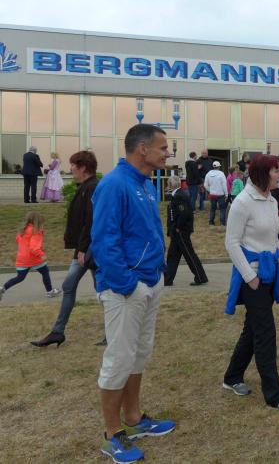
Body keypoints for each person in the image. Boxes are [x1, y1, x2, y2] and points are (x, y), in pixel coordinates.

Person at [91, 124, 175, 463]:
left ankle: (134, 418)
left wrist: (156, 276)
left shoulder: (145, 184)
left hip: (150, 282)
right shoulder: (114, 184)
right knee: (120, 358)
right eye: (163, 147)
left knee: (139, 354)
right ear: (142, 149)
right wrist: (128, 284)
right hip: (125, 288)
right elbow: (104, 241)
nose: (168, 153)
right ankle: (112, 433)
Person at [223, 154, 279, 412]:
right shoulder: (242, 202)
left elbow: (274, 238)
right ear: (262, 173)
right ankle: (275, 394)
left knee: (253, 330)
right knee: (265, 333)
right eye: (276, 171)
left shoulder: (271, 200)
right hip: (253, 279)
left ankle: (232, 377)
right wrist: (250, 277)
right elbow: (231, 243)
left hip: (270, 274)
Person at [31, 150, 99, 347]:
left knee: (103, 291)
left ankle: (113, 331)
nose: (71, 169)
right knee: (70, 286)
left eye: (73, 165)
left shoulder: (92, 187)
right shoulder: (84, 186)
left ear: (83, 168)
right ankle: (58, 332)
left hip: (90, 249)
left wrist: (83, 249)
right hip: (83, 248)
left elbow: (91, 220)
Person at [0, 212, 60, 302]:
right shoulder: (36, 231)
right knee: (45, 272)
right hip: (33, 258)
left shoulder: (23, 230)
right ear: (38, 221)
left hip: (22, 258)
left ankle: (3, 288)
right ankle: (50, 291)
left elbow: (18, 240)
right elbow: (34, 248)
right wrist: (42, 254)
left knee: (20, 277)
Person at [164, 175, 208, 287]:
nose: (168, 186)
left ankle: (200, 277)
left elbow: (184, 213)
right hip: (177, 231)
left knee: (189, 254)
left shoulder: (179, 196)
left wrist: (178, 227)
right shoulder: (178, 195)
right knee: (173, 255)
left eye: (168, 184)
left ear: (171, 185)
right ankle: (167, 279)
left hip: (181, 231)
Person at [204, 160, 228, 226]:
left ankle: (211, 222)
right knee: (222, 209)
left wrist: (210, 190)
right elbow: (224, 185)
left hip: (212, 194)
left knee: (212, 208)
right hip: (221, 194)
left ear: (213, 167)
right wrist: (226, 194)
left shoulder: (208, 174)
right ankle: (222, 223)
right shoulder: (221, 174)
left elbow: (205, 185)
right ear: (219, 167)